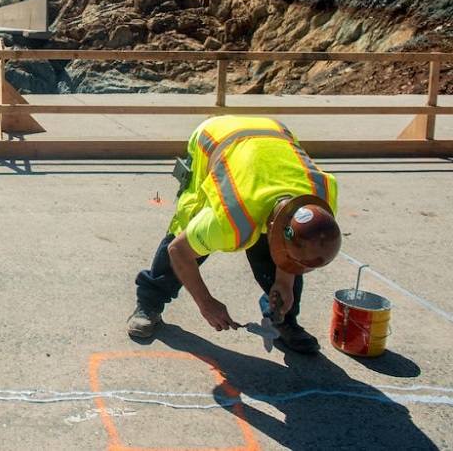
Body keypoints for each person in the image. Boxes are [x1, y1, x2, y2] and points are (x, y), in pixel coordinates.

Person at [127, 115, 342, 354]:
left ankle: (283, 320)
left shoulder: (320, 200)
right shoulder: (229, 219)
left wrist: (284, 283)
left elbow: (291, 247)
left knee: (282, 246)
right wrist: (206, 303)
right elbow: (178, 251)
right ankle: (148, 305)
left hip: (272, 134)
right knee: (186, 224)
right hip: (215, 137)